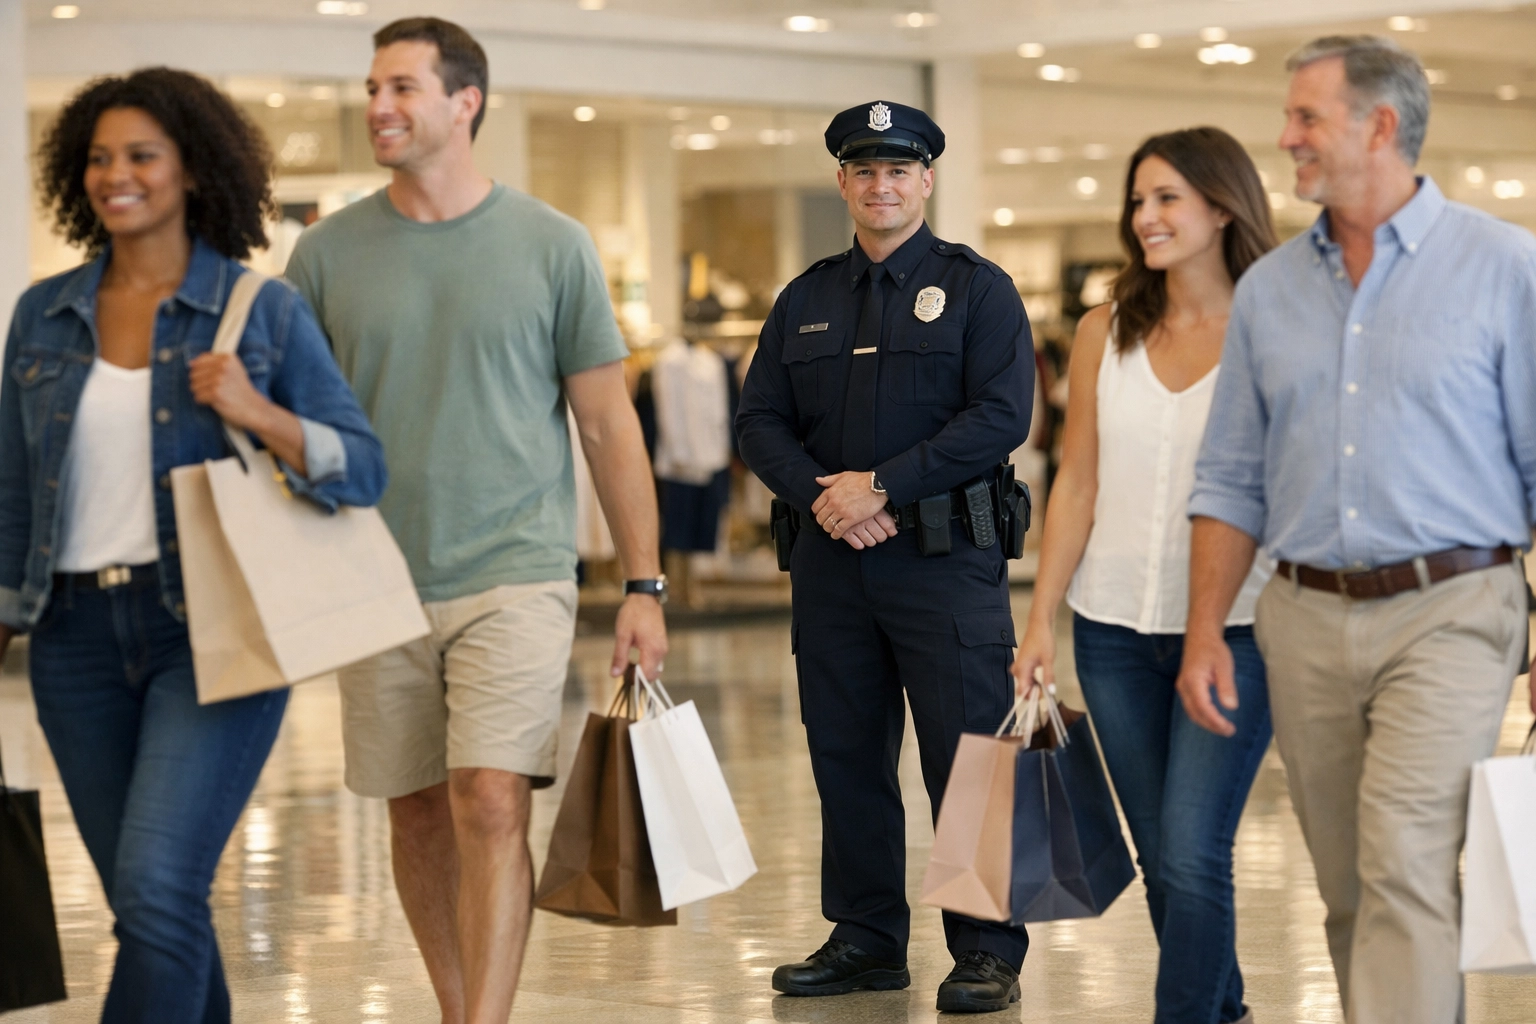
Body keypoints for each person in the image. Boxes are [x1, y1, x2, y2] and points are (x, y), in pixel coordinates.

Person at [283, 17, 668, 1023]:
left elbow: (606, 422)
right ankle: (458, 1008)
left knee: (491, 797)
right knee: (417, 809)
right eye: (373, 87)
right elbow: (297, 424)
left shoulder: (552, 244)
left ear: (466, 102)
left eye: (402, 88)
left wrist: (643, 583)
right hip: (374, 578)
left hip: (516, 568)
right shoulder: (324, 255)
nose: (378, 106)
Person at [0, 69, 386, 1022]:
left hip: (210, 632)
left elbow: (363, 467)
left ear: (193, 170)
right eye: (99, 158)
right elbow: (11, 490)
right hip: (72, 642)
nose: (115, 175)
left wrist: (258, 411)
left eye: (141, 156)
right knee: (152, 909)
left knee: (157, 887)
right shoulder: (43, 314)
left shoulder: (259, 309)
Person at [1178, 35, 1536, 1024]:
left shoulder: (1505, 267)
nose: (1286, 137)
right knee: (1346, 884)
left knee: (1404, 859)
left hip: (1454, 608)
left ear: (1380, 126)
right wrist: (1206, 629)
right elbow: (1231, 477)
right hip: (1303, 615)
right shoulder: (1270, 290)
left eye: (1307, 117)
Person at [737, 100, 1034, 1014]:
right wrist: (827, 496)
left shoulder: (978, 290)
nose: (881, 185)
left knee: (968, 758)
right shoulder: (805, 299)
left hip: (945, 565)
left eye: (898, 170)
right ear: (842, 182)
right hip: (832, 567)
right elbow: (758, 419)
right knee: (847, 755)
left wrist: (882, 486)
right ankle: (865, 938)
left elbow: (1000, 416)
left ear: (926, 180)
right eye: (864, 170)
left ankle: (986, 949)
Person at [1011, 127, 1275, 1024]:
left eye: (1167, 198)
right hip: (1113, 629)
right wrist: (1040, 618)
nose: (1145, 217)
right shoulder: (1103, 331)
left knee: (1195, 852)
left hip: (1238, 629)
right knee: (1163, 856)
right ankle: (1222, 1010)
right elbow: (1077, 482)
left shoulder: (1270, 330)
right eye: (1138, 200)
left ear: (1223, 207)